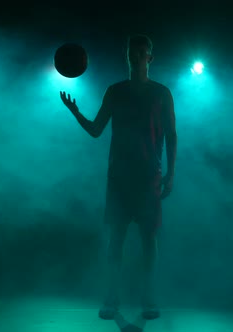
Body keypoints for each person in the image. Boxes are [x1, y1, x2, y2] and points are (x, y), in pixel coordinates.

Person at [60, 34, 177, 320]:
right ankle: (112, 297)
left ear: (150, 57)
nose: (135, 56)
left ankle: (148, 297)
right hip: (120, 178)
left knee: (149, 239)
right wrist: (76, 112)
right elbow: (97, 129)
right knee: (117, 239)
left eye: (141, 52)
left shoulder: (161, 93)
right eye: (131, 51)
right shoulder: (115, 91)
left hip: (149, 176)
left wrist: (171, 173)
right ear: (128, 56)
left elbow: (172, 134)